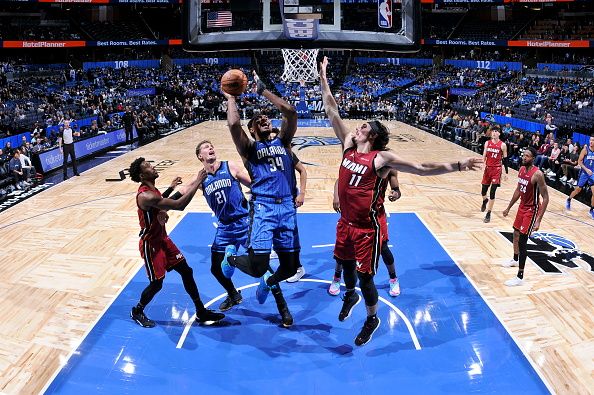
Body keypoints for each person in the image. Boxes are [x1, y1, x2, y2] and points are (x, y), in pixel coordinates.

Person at [320, 56, 482, 346]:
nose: (358, 126)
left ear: (375, 135)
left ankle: (372, 318)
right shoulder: (347, 147)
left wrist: (459, 164)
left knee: (365, 276)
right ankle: (349, 294)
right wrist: (323, 75)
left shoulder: (382, 159)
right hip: (344, 222)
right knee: (343, 264)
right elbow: (331, 110)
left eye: (364, 126)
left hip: (368, 228)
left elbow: (422, 168)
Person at [220, 71, 299, 328]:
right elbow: (234, 125)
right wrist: (232, 97)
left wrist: (262, 90)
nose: (264, 118)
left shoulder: (283, 142)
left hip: (287, 207)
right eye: (257, 120)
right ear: (252, 130)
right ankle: (231, 257)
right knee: (257, 266)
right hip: (263, 207)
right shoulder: (250, 149)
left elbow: (290, 112)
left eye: (265, 117)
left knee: (288, 269)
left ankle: (269, 282)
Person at [129, 157, 224, 328]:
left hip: (163, 239)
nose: (153, 166)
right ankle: (137, 310)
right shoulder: (145, 195)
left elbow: (159, 201)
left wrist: (171, 188)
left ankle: (201, 311)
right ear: (143, 175)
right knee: (157, 283)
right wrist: (198, 183)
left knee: (187, 271)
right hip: (151, 245)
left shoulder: (152, 190)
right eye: (149, 166)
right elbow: (178, 205)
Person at [195, 140, 250, 311]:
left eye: (212, 146)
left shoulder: (229, 166)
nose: (210, 148)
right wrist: (163, 207)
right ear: (200, 156)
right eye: (206, 147)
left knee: (261, 265)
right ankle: (233, 294)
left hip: (243, 223)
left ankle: (281, 304)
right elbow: (183, 192)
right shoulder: (201, 179)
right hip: (225, 228)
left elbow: (253, 184)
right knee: (215, 268)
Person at [329, 171, 401, 297]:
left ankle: (393, 279)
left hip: (376, 215)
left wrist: (396, 193)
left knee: (383, 248)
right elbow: (340, 179)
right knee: (343, 250)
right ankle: (336, 277)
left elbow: (396, 189)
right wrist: (336, 196)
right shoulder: (358, 159)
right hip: (352, 214)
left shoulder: (388, 162)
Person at [502, 147, 549, 286]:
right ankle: (515, 260)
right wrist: (509, 207)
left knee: (523, 242)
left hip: (531, 210)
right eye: (523, 155)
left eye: (527, 156)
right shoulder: (521, 170)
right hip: (522, 207)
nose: (524, 157)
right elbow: (518, 190)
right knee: (515, 234)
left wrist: (538, 220)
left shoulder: (538, 174)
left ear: (533, 159)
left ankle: (520, 277)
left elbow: (545, 198)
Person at [480, 126, 508, 223]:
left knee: (492, 192)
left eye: (496, 131)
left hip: (497, 170)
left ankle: (489, 213)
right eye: (493, 131)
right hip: (487, 169)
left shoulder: (503, 145)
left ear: (499, 133)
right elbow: (484, 155)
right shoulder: (487, 143)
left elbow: (505, 160)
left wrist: (505, 173)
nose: (494, 133)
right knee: (483, 191)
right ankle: (484, 200)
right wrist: (482, 164)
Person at [565, 135, 594, 219]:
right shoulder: (585, 150)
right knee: (578, 190)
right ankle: (569, 199)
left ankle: (591, 210)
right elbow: (579, 162)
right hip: (584, 173)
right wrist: (586, 169)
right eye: (590, 140)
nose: (591, 142)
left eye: (593, 140)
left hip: (592, 174)